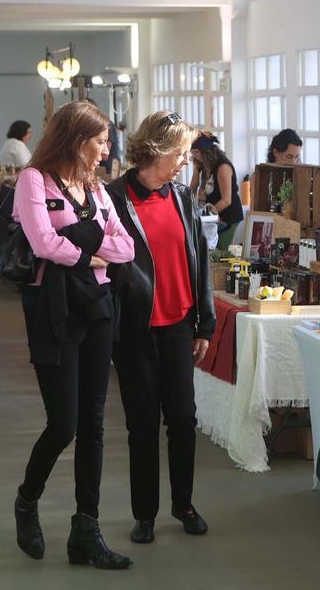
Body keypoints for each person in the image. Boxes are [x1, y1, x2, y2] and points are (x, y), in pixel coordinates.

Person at [11, 101, 136, 570]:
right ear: (75, 139)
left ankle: (86, 529)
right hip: (53, 309)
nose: (106, 150)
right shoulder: (34, 180)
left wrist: (85, 246)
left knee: (95, 424)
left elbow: (124, 245)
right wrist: (91, 252)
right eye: (100, 141)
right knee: (64, 423)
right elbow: (42, 243)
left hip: (98, 306)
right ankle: (27, 500)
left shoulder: (97, 189)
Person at [106, 111, 215, 545]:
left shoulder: (182, 196)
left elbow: (200, 260)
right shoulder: (114, 198)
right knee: (142, 424)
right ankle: (145, 513)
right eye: (180, 153)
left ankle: (183, 504)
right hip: (135, 331)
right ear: (155, 150)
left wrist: (204, 323)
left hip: (178, 328)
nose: (186, 161)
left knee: (183, 420)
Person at [189, 132, 243, 250]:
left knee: (220, 253)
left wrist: (206, 215)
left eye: (197, 152)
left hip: (228, 217)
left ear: (208, 151)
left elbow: (226, 200)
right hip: (211, 217)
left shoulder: (223, 167)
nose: (194, 156)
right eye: (192, 152)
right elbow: (192, 188)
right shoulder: (200, 164)